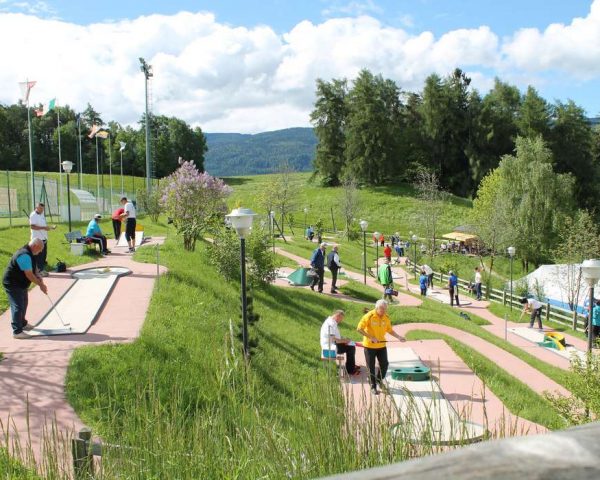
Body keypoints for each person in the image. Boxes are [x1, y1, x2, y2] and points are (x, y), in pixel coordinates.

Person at [357, 300, 405, 395]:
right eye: (382, 309)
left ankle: (379, 380)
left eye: (385, 309)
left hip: (381, 346)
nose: (383, 311)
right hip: (369, 346)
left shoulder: (386, 317)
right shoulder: (369, 316)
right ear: (377, 307)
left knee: (385, 365)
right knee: (371, 366)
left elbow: (389, 330)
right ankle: (373, 386)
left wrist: (399, 337)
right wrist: (371, 337)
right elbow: (359, 329)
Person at [2, 238, 48, 339]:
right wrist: (40, 285)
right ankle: (17, 332)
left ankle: (22, 323)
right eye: (40, 249)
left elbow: (34, 267)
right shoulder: (24, 255)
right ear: (35, 246)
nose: (41, 251)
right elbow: (29, 275)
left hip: (20, 283)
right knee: (18, 306)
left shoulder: (31, 252)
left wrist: (38, 275)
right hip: (12, 283)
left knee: (24, 303)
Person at [320, 310, 360, 375]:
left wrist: (344, 339)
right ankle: (350, 370)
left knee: (350, 346)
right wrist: (344, 341)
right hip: (330, 347)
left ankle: (351, 365)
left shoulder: (332, 321)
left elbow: (336, 336)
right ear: (337, 316)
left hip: (332, 344)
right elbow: (333, 339)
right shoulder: (330, 324)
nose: (341, 321)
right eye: (341, 319)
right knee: (351, 348)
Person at [29, 202, 56, 277]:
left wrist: (49, 228)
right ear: (36, 207)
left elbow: (43, 226)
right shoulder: (33, 215)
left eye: (43, 209)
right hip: (37, 239)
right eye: (40, 208)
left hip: (44, 238)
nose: (42, 210)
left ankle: (42, 270)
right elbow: (32, 227)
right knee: (39, 257)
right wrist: (44, 228)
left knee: (43, 256)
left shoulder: (42, 215)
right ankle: (39, 271)